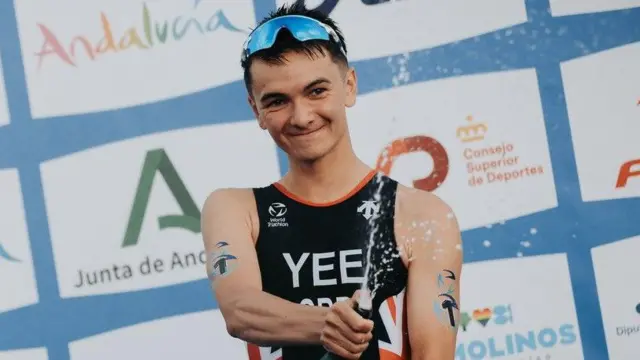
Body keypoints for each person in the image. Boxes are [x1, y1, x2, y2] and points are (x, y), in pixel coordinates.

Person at [201, 3, 463, 359]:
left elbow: (434, 354)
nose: (302, 116)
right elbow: (240, 311)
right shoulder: (235, 208)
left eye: (316, 91)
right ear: (256, 110)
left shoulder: (421, 213)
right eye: (277, 101)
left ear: (349, 86)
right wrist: (326, 323)